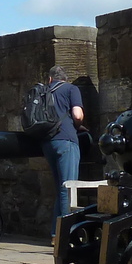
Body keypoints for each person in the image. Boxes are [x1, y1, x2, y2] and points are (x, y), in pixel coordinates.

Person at [39, 66, 86, 237]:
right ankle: (65, 236)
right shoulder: (71, 89)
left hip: (47, 142)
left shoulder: (43, 91)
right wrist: (79, 127)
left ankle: (55, 234)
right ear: (64, 79)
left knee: (60, 189)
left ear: (50, 79)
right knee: (68, 188)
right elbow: (77, 115)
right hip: (66, 141)